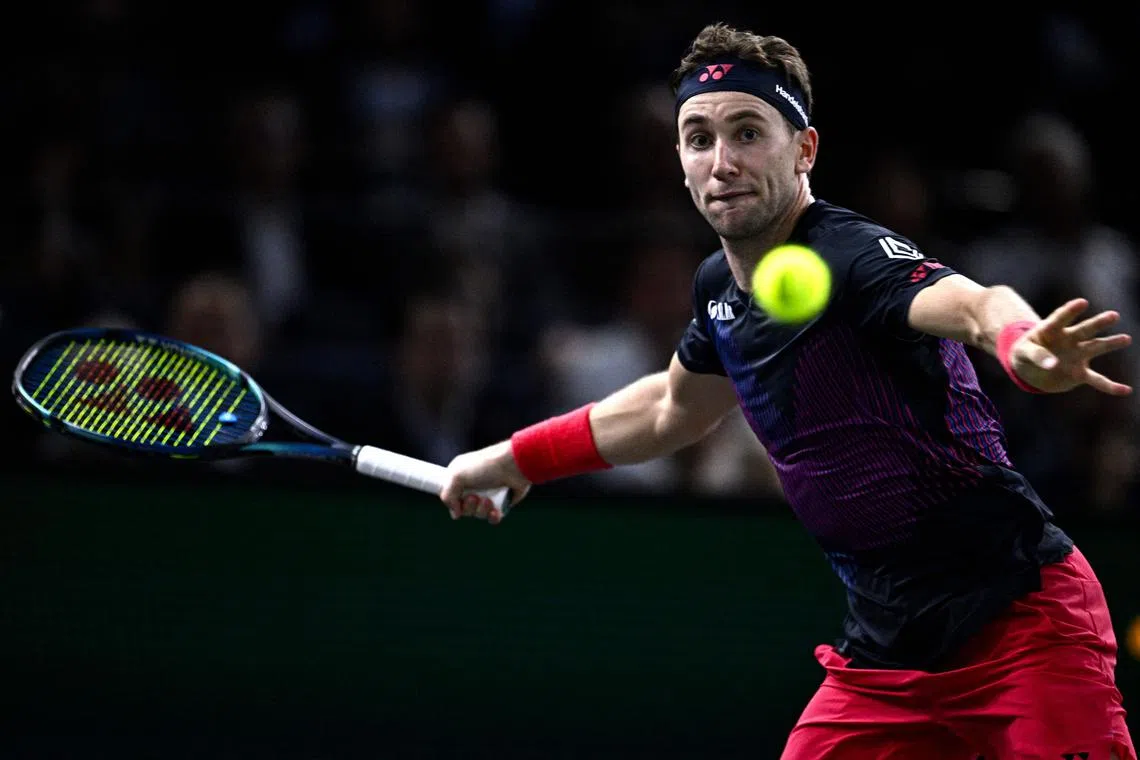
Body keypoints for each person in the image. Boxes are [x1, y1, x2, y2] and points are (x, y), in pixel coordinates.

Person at [438, 22, 1136, 760]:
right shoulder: (717, 292)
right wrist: (511, 459)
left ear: (804, 149)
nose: (722, 161)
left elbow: (973, 303)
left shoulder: (850, 254)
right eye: (698, 138)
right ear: (678, 159)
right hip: (886, 659)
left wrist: (1020, 345)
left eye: (747, 133)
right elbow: (668, 409)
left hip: (1021, 623)